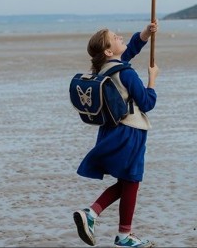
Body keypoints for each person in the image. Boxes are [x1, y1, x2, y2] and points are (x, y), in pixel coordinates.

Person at [73, 23, 159, 248]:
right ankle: (116, 230)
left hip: (111, 130)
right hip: (131, 132)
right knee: (131, 180)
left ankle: (97, 217)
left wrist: (145, 35)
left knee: (128, 182)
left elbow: (129, 50)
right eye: (115, 37)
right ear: (109, 51)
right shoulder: (126, 73)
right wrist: (152, 79)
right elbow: (147, 103)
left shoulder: (102, 69)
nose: (120, 36)